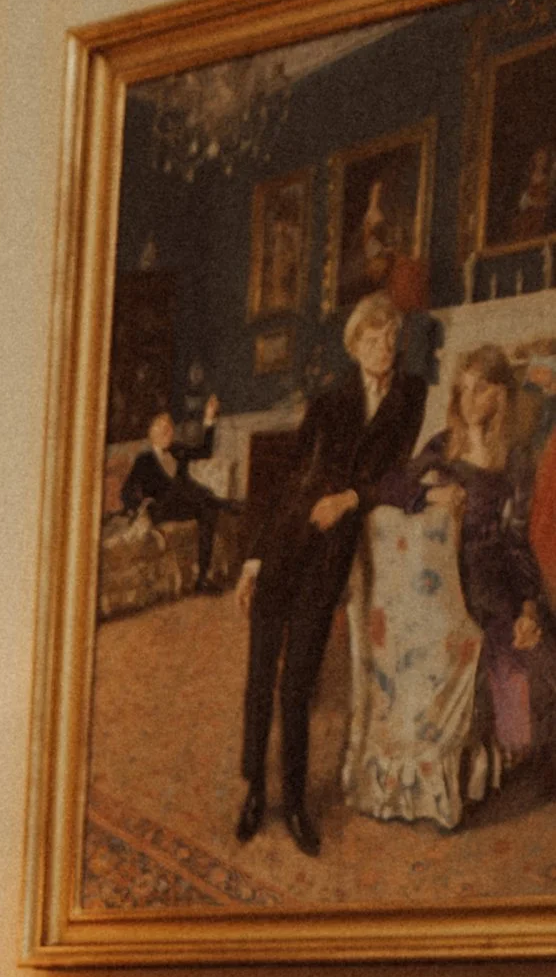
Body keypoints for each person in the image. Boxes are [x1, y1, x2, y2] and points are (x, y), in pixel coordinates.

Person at [235, 291, 427, 856]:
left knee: (299, 681)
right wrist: (253, 561)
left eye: (390, 336)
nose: (383, 346)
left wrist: (349, 498)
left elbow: (395, 478)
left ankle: (294, 799)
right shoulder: (328, 402)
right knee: (259, 677)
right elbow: (287, 484)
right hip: (286, 546)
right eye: (371, 337)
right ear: (354, 345)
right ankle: (253, 790)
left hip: (331, 555)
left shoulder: (410, 397)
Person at [379, 344, 555, 793]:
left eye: (481, 388)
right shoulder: (443, 445)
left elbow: (517, 542)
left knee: (532, 632)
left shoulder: (515, 457)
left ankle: (524, 752)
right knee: (494, 631)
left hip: (498, 571)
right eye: (463, 389)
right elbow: (392, 485)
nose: (469, 398)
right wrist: (428, 496)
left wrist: (530, 606)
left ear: (501, 395)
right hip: (447, 574)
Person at [119, 396, 227, 587]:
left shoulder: (177, 450)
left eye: (170, 428)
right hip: (161, 510)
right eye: (163, 429)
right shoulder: (144, 460)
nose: (168, 433)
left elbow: (205, 451)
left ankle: (202, 577)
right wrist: (137, 508)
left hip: (181, 505)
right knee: (196, 495)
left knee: (207, 509)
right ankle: (224, 503)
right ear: (152, 433)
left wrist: (209, 419)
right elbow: (126, 491)